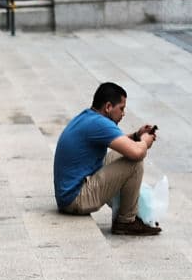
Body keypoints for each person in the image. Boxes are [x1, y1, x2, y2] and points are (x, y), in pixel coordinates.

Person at [53, 82, 161, 236]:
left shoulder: (89, 117)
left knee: (122, 154)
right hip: (75, 199)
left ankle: (127, 214)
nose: (123, 114)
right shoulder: (100, 124)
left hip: (68, 194)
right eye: (121, 108)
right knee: (134, 161)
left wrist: (137, 136)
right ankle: (126, 221)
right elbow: (137, 153)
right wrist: (145, 142)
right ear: (108, 107)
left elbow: (119, 141)